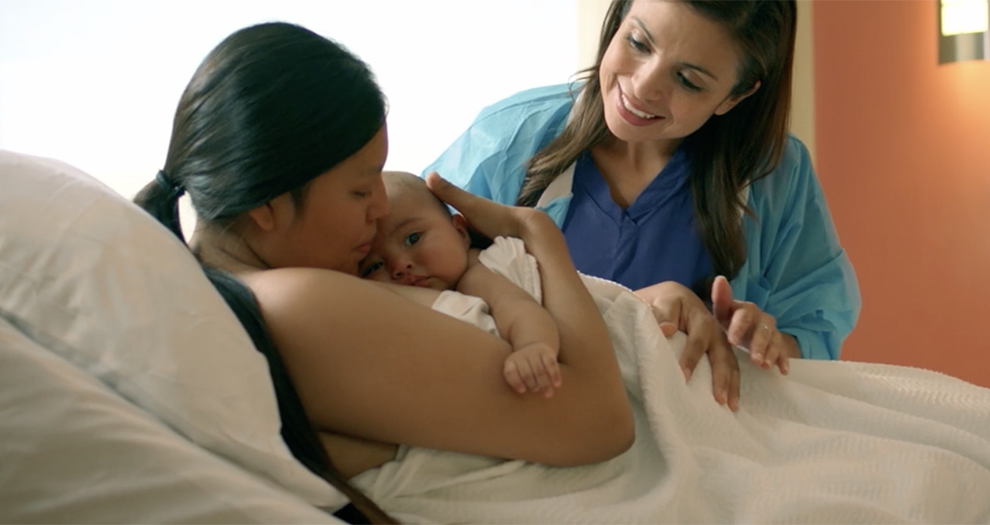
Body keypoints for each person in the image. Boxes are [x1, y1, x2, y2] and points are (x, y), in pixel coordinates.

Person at [134, 22, 633, 524]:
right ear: (267, 203)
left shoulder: (207, 288)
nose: (379, 209)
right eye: (360, 189)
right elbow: (602, 424)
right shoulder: (301, 306)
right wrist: (539, 234)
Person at [425, 0, 862, 411]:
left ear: (736, 95)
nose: (642, 86)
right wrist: (624, 311)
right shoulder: (509, 139)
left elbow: (814, 327)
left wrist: (765, 343)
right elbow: (411, 285)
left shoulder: (774, 174)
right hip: (521, 419)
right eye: (638, 43)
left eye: (688, 80)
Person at [359, 171, 563, 398]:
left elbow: (518, 308)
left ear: (459, 232)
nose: (399, 265)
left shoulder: (476, 273)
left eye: (412, 238)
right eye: (373, 266)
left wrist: (531, 346)